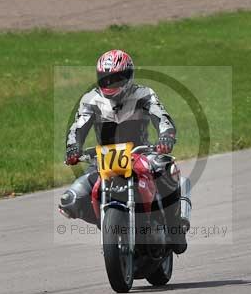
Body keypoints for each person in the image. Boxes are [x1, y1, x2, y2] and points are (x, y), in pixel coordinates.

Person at [58, 49, 190, 254]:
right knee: (70, 200)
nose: (111, 84)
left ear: (129, 77)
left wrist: (166, 136)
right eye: (106, 79)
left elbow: (162, 117)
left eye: (117, 79)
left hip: (143, 154)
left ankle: (174, 228)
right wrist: (73, 148)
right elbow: (77, 128)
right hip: (104, 160)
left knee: (169, 169)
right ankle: (108, 226)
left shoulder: (144, 94)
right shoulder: (90, 100)